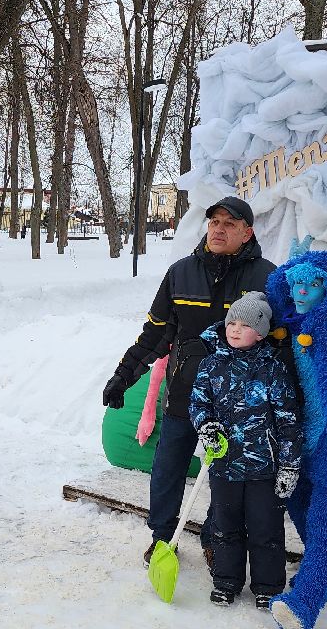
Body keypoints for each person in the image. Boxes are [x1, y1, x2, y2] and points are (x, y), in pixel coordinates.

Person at [102, 195, 282, 564]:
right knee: (167, 468)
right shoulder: (181, 273)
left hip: (239, 402)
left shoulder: (267, 277)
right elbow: (154, 334)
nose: (219, 229)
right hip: (184, 392)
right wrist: (123, 376)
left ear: (247, 233)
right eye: (214, 222)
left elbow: (279, 342)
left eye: (229, 224)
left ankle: (217, 539)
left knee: (226, 476)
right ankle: (162, 538)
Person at [190, 291, 304, 608]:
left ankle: (267, 585)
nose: (235, 329)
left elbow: (288, 420)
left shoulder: (273, 369)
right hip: (224, 465)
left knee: (265, 529)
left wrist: (290, 465)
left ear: (261, 333)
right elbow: (198, 404)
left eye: (244, 325)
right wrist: (206, 426)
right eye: (231, 323)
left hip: (264, 468)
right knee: (224, 526)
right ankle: (226, 581)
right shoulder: (211, 365)